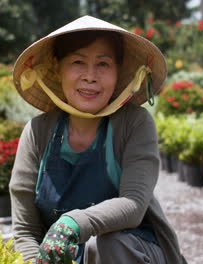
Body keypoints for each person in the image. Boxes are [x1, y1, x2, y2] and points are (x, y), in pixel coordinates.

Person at [9, 15, 186, 264]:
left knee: (106, 244)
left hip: (134, 252)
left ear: (118, 72)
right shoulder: (38, 131)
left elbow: (133, 204)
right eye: (78, 62)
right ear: (57, 68)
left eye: (103, 64)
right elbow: (26, 231)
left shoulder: (134, 123)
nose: (90, 76)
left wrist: (72, 223)